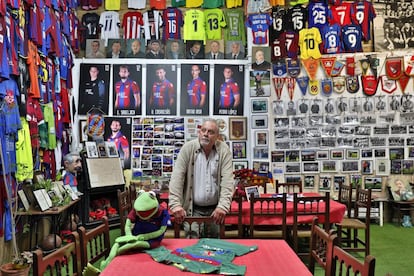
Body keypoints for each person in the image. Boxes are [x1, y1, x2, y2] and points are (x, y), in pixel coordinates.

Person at [168, 119, 234, 238]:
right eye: (203, 130)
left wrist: (223, 206)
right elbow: (177, 177)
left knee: (215, 246)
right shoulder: (188, 148)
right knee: (192, 244)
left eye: (210, 132)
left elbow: (228, 181)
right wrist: (175, 204)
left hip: (216, 209)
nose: (205, 134)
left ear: (217, 136)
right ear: (199, 132)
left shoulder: (224, 150)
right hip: (192, 209)